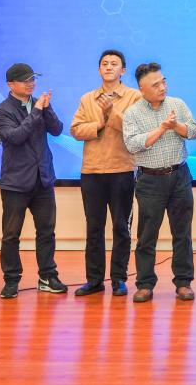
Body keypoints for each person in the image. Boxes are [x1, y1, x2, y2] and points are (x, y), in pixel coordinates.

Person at [122, 62, 196, 303]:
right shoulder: (133, 113)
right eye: (155, 85)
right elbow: (132, 144)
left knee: (182, 233)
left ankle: (184, 283)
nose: (162, 87)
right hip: (150, 180)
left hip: (179, 176)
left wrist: (176, 126)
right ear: (142, 88)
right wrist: (161, 129)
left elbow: (195, 131)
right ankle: (145, 284)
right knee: (147, 235)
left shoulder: (177, 104)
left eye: (163, 81)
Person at [69, 49, 142, 297]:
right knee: (94, 228)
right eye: (104, 64)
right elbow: (76, 129)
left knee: (121, 227)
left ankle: (119, 278)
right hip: (92, 171)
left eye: (114, 64)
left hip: (122, 170)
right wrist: (98, 124)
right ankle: (94, 280)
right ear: (99, 69)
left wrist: (111, 113)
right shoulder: (88, 98)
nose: (109, 67)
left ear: (123, 70)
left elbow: (134, 129)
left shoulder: (134, 97)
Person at [0, 62, 66, 299]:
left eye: (32, 79)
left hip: (43, 180)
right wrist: (36, 112)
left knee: (46, 232)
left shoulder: (40, 104)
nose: (31, 83)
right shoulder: (1, 111)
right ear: (10, 85)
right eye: (25, 80)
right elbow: (15, 137)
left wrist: (47, 109)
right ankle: (11, 279)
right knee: (11, 234)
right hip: (16, 182)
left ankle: (47, 276)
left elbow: (57, 129)